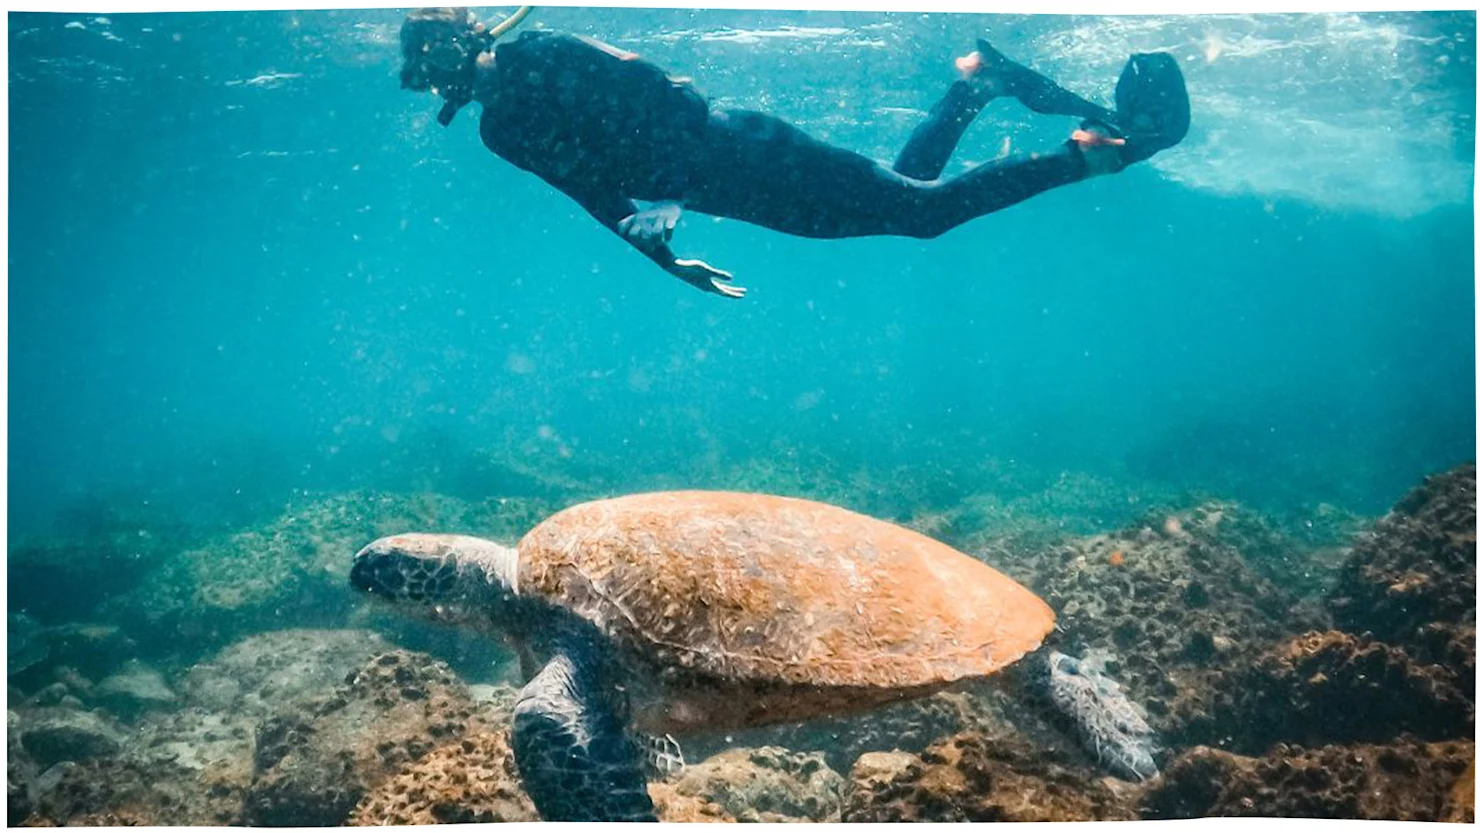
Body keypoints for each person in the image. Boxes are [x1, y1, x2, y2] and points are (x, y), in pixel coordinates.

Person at [399, 7, 1191, 298]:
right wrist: (664, 258)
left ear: (463, 39)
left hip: (743, 148)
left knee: (919, 215)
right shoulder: (499, 132)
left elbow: (667, 95)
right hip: (731, 190)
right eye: (418, 72)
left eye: (428, 59)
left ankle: (1087, 154)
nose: (427, 80)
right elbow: (592, 196)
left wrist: (671, 192)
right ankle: (977, 86)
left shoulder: (541, 50)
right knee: (909, 191)